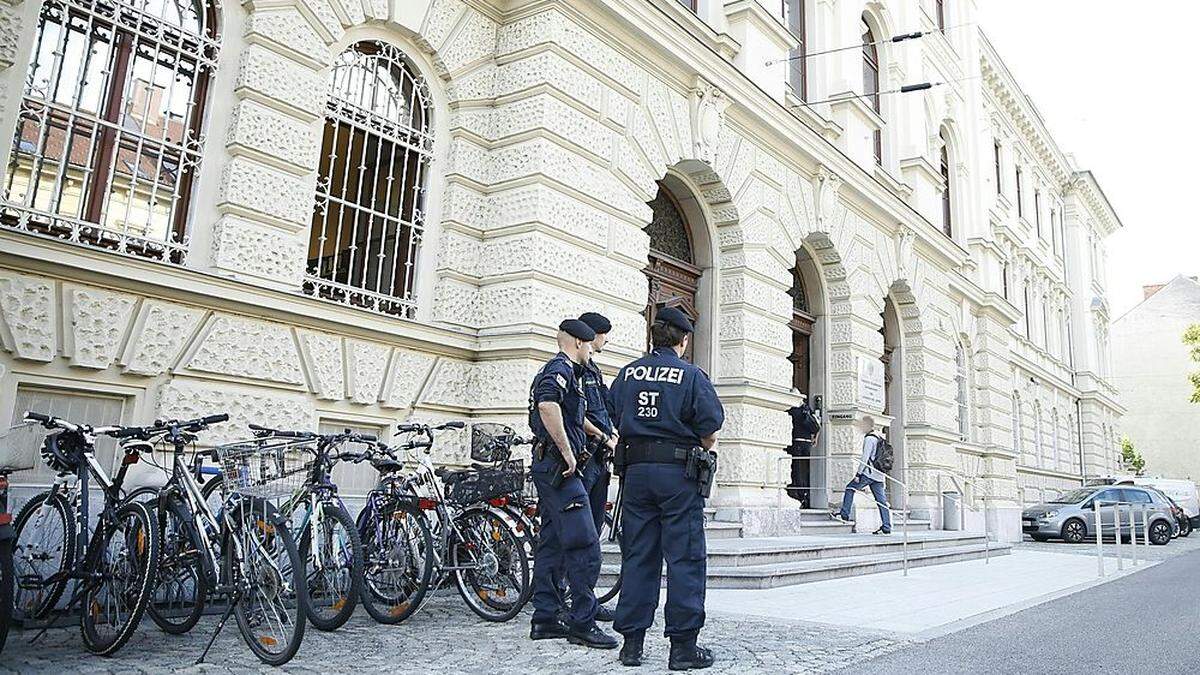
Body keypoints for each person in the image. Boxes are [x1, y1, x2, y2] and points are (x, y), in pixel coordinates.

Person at [608, 307, 724, 670]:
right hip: (678, 475)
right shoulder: (690, 375)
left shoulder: (628, 373)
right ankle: (683, 648)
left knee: (639, 555)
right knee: (684, 558)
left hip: (637, 475)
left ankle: (631, 645)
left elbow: (613, 415)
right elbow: (710, 428)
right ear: (683, 340)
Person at [527, 319, 618, 649]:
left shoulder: (574, 374)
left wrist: (602, 434)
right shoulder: (560, 369)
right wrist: (567, 452)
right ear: (580, 343)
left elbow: (573, 413)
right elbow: (547, 405)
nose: (593, 347)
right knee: (585, 544)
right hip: (559, 469)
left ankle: (545, 617)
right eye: (590, 343)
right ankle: (582, 622)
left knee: (552, 542)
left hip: (556, 468)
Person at [577, 312, 618, 621]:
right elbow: (575, 413)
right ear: (593, 335)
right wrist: (604, 435)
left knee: (591, 533)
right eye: (605, 334)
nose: (606, 340)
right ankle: (569, 599)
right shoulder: (574, 369)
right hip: (585, 457)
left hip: (599, 458)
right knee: (579, 534)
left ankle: (586, 599)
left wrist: (612, 434)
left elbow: (602, 408)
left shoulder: (593, 369)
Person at [831, 416, 892, 535]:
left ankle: (844, 514)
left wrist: (858, 474)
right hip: (879, 475)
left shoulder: (870, 439)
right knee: (881, 501)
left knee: (850, 488)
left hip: (868, 474)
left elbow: (865, 457)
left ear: (867, 425)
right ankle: (886, 526)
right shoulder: (879, 437)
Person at [784, 396, 822, 506]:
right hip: (807, 444)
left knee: (797, 470)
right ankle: (806, 495)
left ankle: (799, 496)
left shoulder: (792, 409)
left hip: (796, 442)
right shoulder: (807, 409)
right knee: (805, 470)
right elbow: (818, 425)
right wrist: (815, 438)